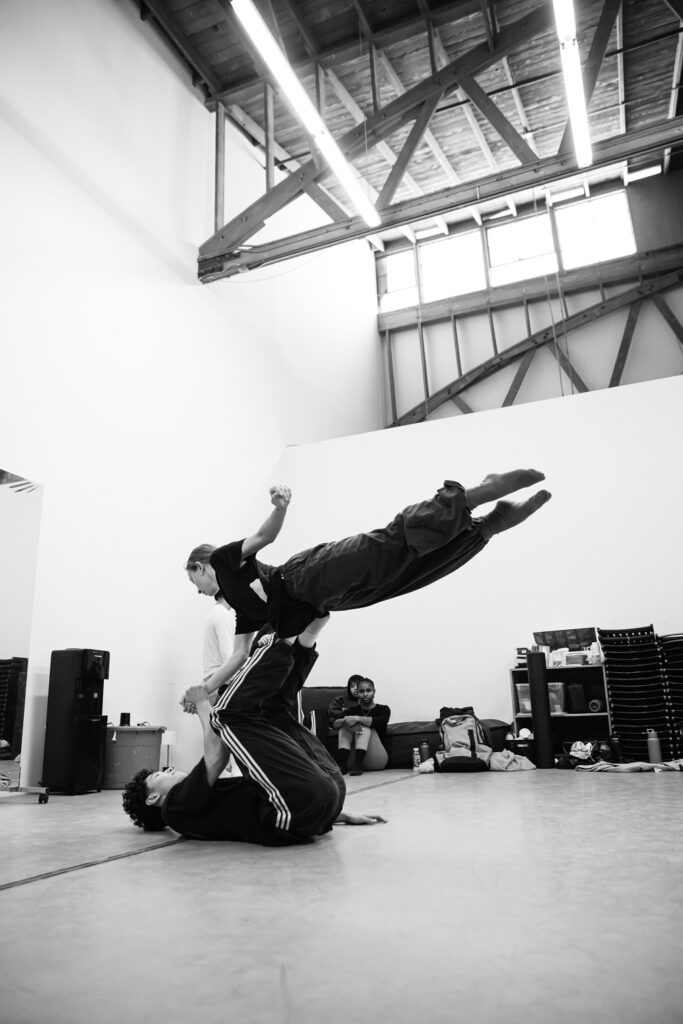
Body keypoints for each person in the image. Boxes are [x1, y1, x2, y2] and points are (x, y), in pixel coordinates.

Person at [185, 470, 551, 695]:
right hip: (328, 601)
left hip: (305, 575)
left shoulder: (224, 560)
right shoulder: (243, 616)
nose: (197, 590)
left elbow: (264, 538)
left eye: (193, 580)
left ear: (202, 567)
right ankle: (488, 526)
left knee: (388, 546)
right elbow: (237, 657)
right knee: (403, 576)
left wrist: (280, 506)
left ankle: (473, 495)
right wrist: (204, 689)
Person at [122, 633, 386, 842]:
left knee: (272, 711)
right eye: (159, 775)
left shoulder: (197, 803)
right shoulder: (174, 810)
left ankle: (304, 637)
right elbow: (217, 755)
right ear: (152, 799)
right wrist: (203, 704)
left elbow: (265, 788)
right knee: (224, 716)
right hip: (298, 810)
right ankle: (286, 638)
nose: (168, 769)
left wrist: (335, 815)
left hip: (324, 796)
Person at [332, 677, 390, 776]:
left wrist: (357, 719)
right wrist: (345, 720)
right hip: (352, 761)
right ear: (357, 693)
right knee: (344, 726)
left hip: (376, 759)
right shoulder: (352, 710)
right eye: (361, 691)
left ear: (374, 692)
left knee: (363, 727)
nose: (365, 694)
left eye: (368, 690)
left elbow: (381, 721)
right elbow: (334, 724)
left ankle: (358, 765)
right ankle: (343, 765)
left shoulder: (383, 709)